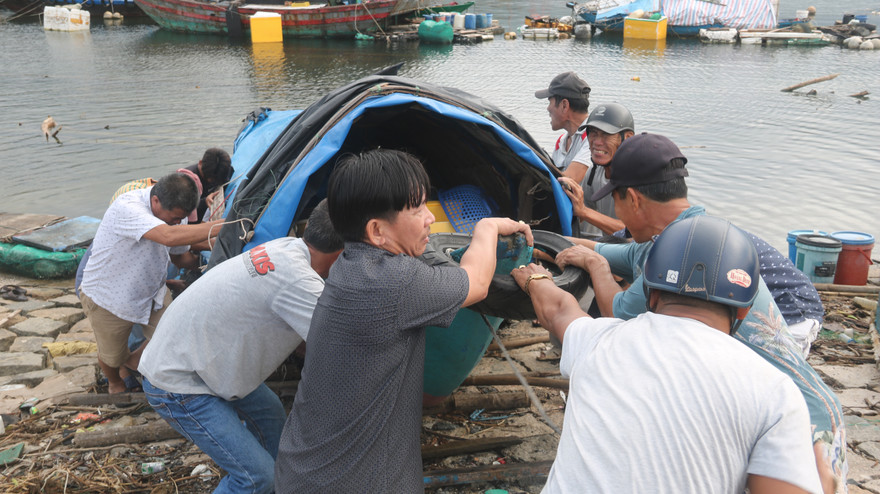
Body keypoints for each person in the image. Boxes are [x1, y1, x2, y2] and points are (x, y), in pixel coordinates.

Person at [556, 133, 844, 493]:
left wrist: (596, 267)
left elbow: (617, 312)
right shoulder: (687, 236)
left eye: (615, 200)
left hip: (804, 423)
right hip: (787, 400)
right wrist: (556, 242)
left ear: (631, 198)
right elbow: (610, 250)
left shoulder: (675, 254)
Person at [274, 149, 533, 493]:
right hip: (346, 483)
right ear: (377, 230)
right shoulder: (396, 282)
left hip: (306, 468)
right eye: (417, 209)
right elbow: (479, 281)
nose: (429, 218)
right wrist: (486, 227)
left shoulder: (352, 266)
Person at [512, 215, 823, 494]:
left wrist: (534, 279)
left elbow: (558, 310)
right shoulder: (776, 392)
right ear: (743, 309)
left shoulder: (598, 339)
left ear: (651, 293)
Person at [138, 199, 343, 494]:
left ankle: (278, 486)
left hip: (199, 359)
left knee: (270, 413)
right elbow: (342, 349)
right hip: (178, 383)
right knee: (254, 478)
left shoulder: (287, 247)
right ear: (342, 253)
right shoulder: (300, 282)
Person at [78, 173, 223, 394]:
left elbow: (179, 255)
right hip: (108, 297)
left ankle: (136, 361)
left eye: (180, 218)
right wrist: (225, 226)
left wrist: (213, 253)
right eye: (175, 218)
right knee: (112, 355)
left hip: (151, 291)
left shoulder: (177, 214)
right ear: (156, 201)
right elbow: (168, 236)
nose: (178, 221)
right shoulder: (127, 205)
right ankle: (115, 382)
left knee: (175, 331)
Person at [558, 102, 634, 239]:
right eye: (593, 133)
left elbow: (634, 232)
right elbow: (580, 213)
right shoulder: (593, 173)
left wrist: (584, 212)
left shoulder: (638, 176)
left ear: (627, 138)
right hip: (611, 247)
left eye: (606, 134)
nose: (597, 142)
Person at [535, 72, 592, 182]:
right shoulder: (561, 142)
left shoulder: (594, 137)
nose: (548, 108)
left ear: (564, 105)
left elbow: (569, 181)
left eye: (549, 102)